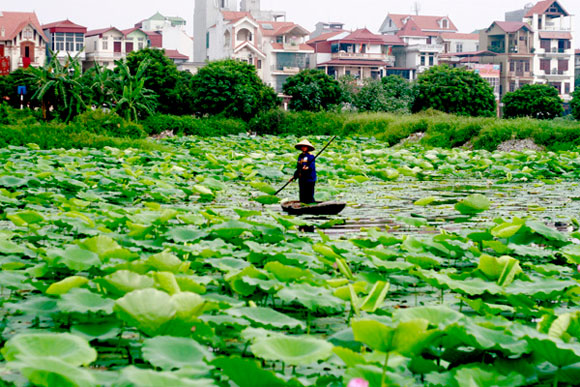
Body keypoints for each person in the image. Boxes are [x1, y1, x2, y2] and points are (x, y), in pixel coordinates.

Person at [292, 139, 316, 204]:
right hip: (302, 177)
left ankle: (310, 205)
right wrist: (294, 176)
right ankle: (302, 204)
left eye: (305, 146)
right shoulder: (300, 156)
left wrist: (307, 168)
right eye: (302, 146)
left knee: (309, 194)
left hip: (309, 178)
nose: (303, 148)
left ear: (308, 147)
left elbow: (312, 166)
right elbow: (298, 167)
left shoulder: (311, 156)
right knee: (302, 193)